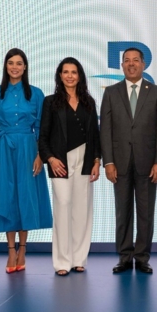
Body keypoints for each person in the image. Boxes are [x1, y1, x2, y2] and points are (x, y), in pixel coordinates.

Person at [0, 48, 52, 273]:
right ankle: (11, 250)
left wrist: (40, 155)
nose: (14, 67)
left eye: (19, 63)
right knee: (6, 196)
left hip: (29, 148)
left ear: (25, 67)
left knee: (26, 196)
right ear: (6, 66)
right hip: (3, 148)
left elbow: (42, 127)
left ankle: (23, 249)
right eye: (11, 63)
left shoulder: (36, 93)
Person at [100, 47, 157, 274]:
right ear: (121, 65)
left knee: (146, 213)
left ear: (143, 64)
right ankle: (124, 256)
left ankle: (142, 258)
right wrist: (108, 162)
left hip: (148, 164)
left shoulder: (156, 92)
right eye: (127, 60)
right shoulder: (111, 92)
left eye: (136, 60)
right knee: (122, 212)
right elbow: (105, 130)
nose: (131, 64)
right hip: (119, 163)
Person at [38, 58, 101, 276]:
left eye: (74, 72)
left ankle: (79, 259)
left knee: (82, 210)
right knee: (63, 206)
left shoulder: (89, 102)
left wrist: (96, 160)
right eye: (66, 72)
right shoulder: (50, 102)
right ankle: (62, 262)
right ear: (60, 75)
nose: (70, 76)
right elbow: (43, 136)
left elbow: (95, 135)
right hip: (60, 161)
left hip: (85, 159)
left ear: (80, 75)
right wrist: (50, 159)